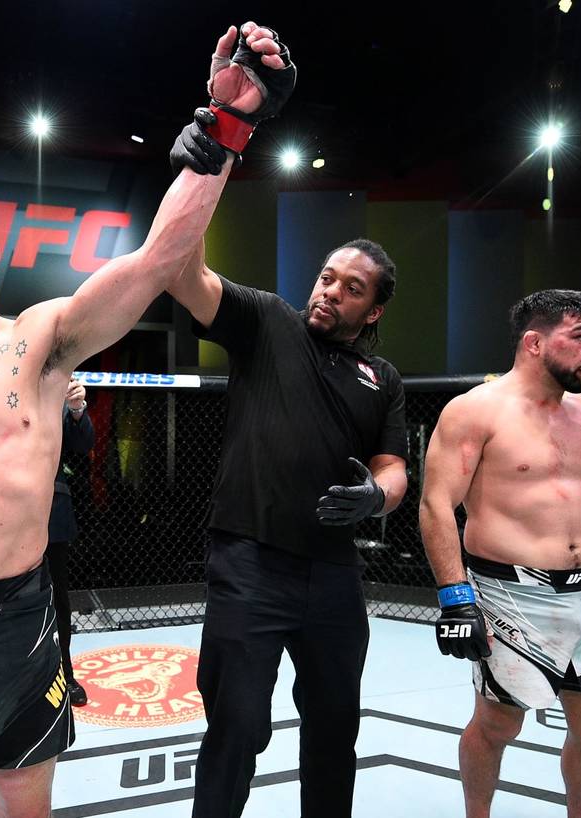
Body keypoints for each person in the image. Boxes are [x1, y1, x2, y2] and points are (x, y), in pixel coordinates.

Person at [0, 21, 294, 818]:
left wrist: (228, 126)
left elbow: (160, 259)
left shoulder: (43, 344)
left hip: (19, 622)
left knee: (25, 803)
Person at [167, 168, 408, 816]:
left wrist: (375, 498)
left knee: (335, 729)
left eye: (352, 288)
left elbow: (394, 469)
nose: (331, 290)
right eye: (329, 276)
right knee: (237, 728)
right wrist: (200, 166)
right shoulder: (268, 321)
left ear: (374, 309)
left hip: (333, 574)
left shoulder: (381, 378)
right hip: (249, 562)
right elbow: (187, 277)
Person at [418, 290, 581, 818]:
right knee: (498, 726)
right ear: (535, 343)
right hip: (506, 592)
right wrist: (455, 598)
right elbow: (435, 505)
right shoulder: (475, 410)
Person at [47, 377, 95, 708]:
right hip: (4, 512)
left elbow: (82, 443)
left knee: (58, 600)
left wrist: (77, 409)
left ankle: (64, 672)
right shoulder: (0, 384)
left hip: (51, 509)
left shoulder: (58, 387)